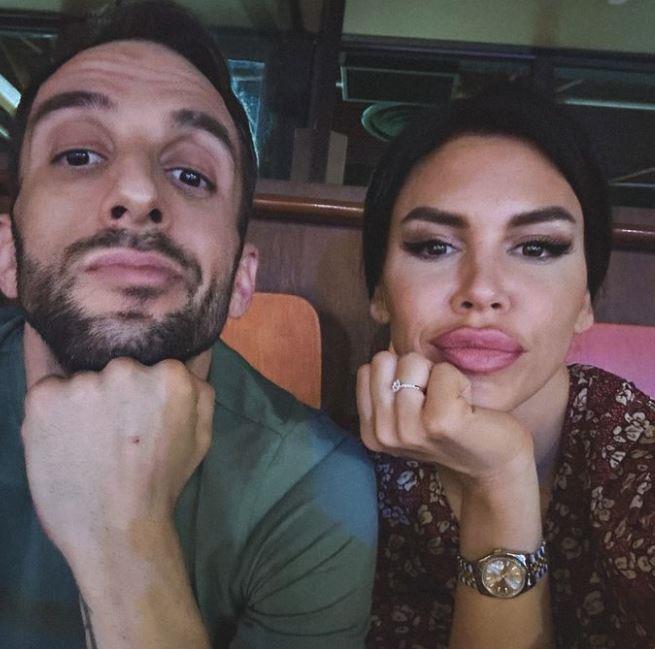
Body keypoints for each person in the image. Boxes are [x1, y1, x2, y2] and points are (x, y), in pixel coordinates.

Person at [0, 2, 377, 647]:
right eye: (79, 155)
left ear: (242, 281)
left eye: (190, 174)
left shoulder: (313, 486)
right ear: (8, 255)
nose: (138, 193)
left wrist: (127, 539)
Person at [357, 83, 654, 649]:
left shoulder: (638, 467)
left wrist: (499, 476)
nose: (482, 291)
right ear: (380, 292)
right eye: (434, 246)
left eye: (536, 247)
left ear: (585, 300)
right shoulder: (315, 475)